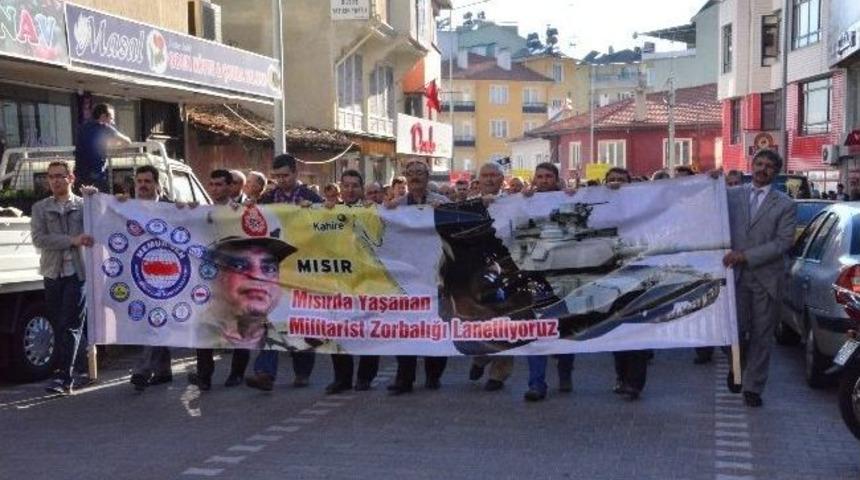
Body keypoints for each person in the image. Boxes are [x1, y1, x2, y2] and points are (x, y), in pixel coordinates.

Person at [722, 149, 796, 407]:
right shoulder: (732, 195)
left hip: (767, 277)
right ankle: (737, 366)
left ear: (776, 172)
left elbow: (783, 242)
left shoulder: (785, 204)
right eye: (759, 163)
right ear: (751, 165)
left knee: (762, 334)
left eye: (769, 166)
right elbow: (705, 202)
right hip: (736, 277)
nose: (763, 169)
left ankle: (753, 387)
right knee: (735, 330)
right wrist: (708, 180)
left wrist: (745, 256)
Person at [245, 153, 323, 391]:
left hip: (303, 269)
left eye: (285, 176)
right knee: (270, 319)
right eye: (277, 176)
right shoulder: (267, 199)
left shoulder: (311, 197)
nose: (281, 180)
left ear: (295, 173)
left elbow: (325, 229)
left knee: (301, 320)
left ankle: (302, 371)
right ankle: (265, 373)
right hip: (275, 268)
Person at [385, 160, 450, 395]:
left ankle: (434, 374)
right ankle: (404, 377)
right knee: (405, 326)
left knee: (435, 325)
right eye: (410, 173)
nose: (414, 177)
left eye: (419, 173)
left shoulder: (442, 203)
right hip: (407, 274)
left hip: (436, 273)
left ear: (427, 175)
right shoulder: (396, 206)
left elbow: (453, 233)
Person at [32, 161, 94, 394]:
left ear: (71, 178)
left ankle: (64, 377)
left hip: (77, 273)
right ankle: (78, 368)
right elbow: (39, 239)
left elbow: (102, 222)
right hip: (52, 272)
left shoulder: (84, 205)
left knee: (71, 324)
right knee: (59, 324)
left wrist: (95, 199)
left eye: (60, 176)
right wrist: (71, 240)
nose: (55, 180)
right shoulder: (40, 208)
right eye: (51, 177)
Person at [187, 169, 251, 391]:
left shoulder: (240, 212)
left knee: (237, 326)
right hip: (207, 278)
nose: (215, 189)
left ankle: (237, 373)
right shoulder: (202, 211)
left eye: (220, 185)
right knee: (204, 326)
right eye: (211, 184)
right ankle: (204, 375)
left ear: (230, 186)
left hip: (235, 277)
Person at [324, 170, 381, 394]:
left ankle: (365, 377)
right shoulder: (327, 210)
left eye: (354, 186)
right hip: (338, 280)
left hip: (367, 279)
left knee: (367, 330)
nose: (349, 190)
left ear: (361, 188)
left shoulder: (371, 210)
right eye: (345, 186)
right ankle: (342, 378)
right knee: (337, 330)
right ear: (340, 187)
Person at [522, 162, 575, 402]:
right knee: (537, 331)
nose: (543, 180)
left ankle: (565, 372)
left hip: (564, 275)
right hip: (536, 277)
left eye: (548, 176)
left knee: (564, 329)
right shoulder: (523, 201)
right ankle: (536, 383)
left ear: (556, 179)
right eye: (539, 176)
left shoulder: (569, 199)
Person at [463, 162, 516, 392]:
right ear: (479, 179)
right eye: (485, 175)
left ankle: (499, 375)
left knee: (506, 321)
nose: (490, 179)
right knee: (481, 321)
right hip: (477, 272)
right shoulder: (466, 204)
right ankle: (481, 358)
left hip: (508, 270)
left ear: (502, 179)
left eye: (495, 175)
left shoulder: (515, 201)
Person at [196, 233, 297, 349]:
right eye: (238, 266)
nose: (258, 276)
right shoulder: (182, 337)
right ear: (210, 275)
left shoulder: (302, 343)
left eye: (269, 268)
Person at [124, 166, 174, 392]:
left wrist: (191, 209)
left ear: (157, 184)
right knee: (151, 321)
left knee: (156, 319)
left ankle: (141, 370)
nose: (142, 185)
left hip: (167, 275)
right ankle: (163, 371)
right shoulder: (125, 208)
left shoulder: (172, 208)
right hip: (139, 274)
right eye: (139, 181)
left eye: (147, 181)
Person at [603, 167, 650, 400]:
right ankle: (621, 376)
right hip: (608, 281)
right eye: (611, 180)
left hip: (637, 278)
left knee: (637, 331)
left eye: (621, 180)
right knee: (616, 332)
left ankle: (635, 383)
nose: (616, 183)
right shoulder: (599, 206)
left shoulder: (642, 206)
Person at [73, 103, 131, 193]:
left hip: (80, 175)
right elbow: (127, 141)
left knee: (82, 204)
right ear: (103, 116)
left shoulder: (82, 128)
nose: (113, 122)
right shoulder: (105, 128)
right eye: (111, 118)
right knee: (101, 204)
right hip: (96, 175)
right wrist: (115, 150)